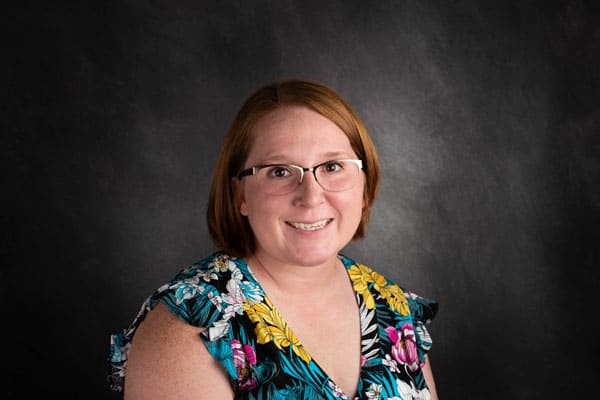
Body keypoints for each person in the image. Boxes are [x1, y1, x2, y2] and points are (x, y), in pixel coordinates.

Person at [108, 78, 439, 399]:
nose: (311, 196)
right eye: (280, 171)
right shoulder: (192, 329)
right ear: (240, 195)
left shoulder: (393, 309)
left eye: (333, 166)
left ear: (365, 187)